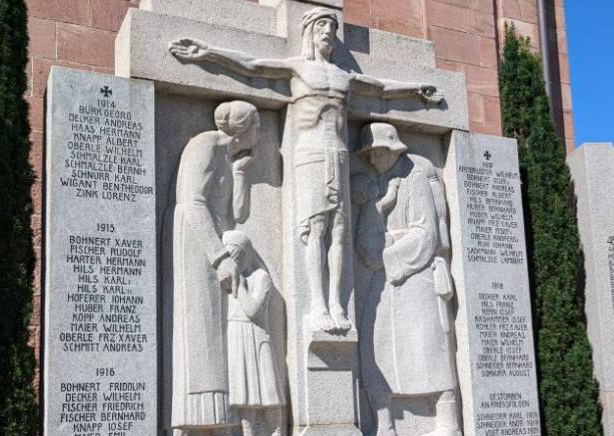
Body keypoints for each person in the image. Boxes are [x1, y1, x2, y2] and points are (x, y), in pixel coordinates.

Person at [169, 7, 441, 334]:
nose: (328, 31)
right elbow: (252, 66)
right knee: (315, 231)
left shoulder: (344, 77)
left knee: (339, 231)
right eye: (322, 25)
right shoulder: (298, 69)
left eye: (332, 26)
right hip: (310, 154)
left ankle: (337, 305)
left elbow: (380, 89)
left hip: (338, 154)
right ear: (310, 31)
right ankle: (318, 304)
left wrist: (415, 91)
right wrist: (209, 53)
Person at [355, 122, 462, 436]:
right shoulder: (379, 182)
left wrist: (386, 256)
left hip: (414, 273)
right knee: (374, 347)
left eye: (377, 152)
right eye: (369, 154)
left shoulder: (416, 174)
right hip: (384, 274)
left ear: (392, 148)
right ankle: (385, 425)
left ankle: (449, 424)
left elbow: (425, 234)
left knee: (429, 347)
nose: (373, 160)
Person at [169, 101, 260, 436]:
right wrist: (218, 256)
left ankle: (218, 424)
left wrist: (240, 175)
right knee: (196, 334)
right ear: (242, 128)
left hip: (218, 242)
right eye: (257, 126)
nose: (260, 133)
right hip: (196, 241)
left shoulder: (230, 157)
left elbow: (239, 214)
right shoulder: (204, 144)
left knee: (217, 336)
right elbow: (192, 201)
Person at [221, 230, 293, 436]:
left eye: (235, 258)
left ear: (244, 255)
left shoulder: (261, 277)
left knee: (267, 387)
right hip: (236, 334)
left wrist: (239, 286)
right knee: (242, 388)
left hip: (257, 334)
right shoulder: (228, 280)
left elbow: (253, 310)